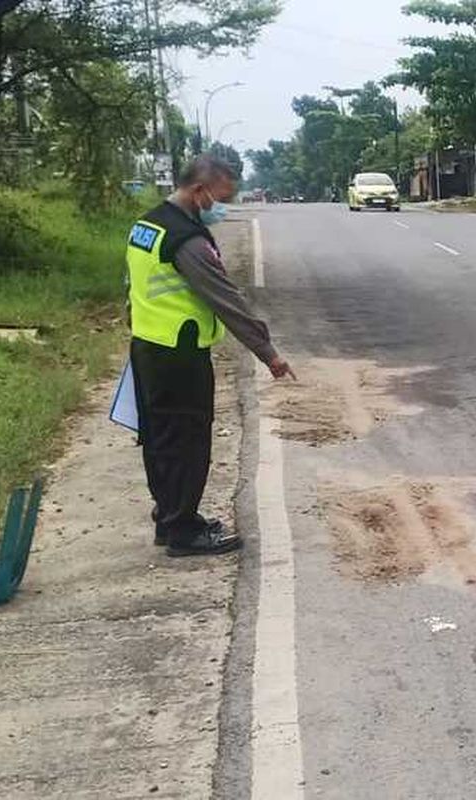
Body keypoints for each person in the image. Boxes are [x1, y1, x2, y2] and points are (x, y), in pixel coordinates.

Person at [126, 154, 295, 557]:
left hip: (148, 347)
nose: (222, 206)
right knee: (187, 441)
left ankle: (169, 517)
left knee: (160, 439)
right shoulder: (189, 241)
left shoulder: (146, 225)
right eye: (221, 196)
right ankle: (182, 530)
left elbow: (132, 285)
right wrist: (267, 352)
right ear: (199, 190)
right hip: (179, 355)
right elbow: (226, 300)